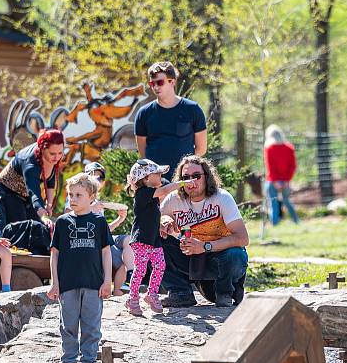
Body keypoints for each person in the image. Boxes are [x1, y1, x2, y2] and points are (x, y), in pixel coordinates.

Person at [47, 173, 113, 363]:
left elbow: (106, 253)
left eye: (78, 195)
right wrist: (55, 283)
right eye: (70, 195)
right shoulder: (63, 223)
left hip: (94, 284)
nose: (72, 199)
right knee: (68, 327)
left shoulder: (99, 222)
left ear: (91, 196)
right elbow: (55, 254)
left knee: (91, 328)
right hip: (67, 285)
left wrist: (108, 281)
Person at [159, 155, 249, 308]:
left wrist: (205, 246)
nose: (190, 181)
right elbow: (158, 217)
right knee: (151, 239)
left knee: (236, 254)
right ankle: (180, 292)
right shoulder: (174, 199)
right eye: (185, 177)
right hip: (191, 261)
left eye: (196, 176)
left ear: (207, 177)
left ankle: (226, 293)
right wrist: (164, 221)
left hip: (219, 266)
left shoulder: (222, 197)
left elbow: (242, 238)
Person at [124, 159, 196, 315]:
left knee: (160, 266)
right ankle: (132, 298)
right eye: (157, 174)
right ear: (146, 178)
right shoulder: (143, 193)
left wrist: (161, 226)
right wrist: (182, 183)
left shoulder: (153, 197)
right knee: (141, 270)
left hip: (154, 240)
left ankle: (152, 294)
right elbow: (165, 190)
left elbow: (149, 218)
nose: (161, 177)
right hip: (141, 241)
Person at [0, 128, 65, 255]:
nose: (57, 157)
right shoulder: (30, 164)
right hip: (6, 192)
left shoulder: (52, 155)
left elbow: (50, 179)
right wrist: (44, 216)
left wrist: (49, 205)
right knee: (21, 227)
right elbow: (34, 194)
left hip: (25, 195)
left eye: (60, 153)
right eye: (52, 154)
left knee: (38, 228)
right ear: (42, 148)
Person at [65, 162, 134, 296]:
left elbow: (102, 231)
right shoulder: (76, 194)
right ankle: (120, 290)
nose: (97, 180)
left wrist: (119, 220)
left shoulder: (98, 200)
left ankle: (128, 282)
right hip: (84, 240)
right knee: (118, 258)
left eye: (100, 178)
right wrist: (91, 209)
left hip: (100, 238)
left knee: (128, 243)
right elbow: (67, 219)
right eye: (92, 176)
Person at [135, 61, 207, 178]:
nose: (156, 87)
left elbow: (201, 148)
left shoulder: (192, 109)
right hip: (156, 182)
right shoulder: (144, 113)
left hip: (184, 181)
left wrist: (186, 171)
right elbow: (143, 153)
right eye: (152, 83)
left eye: (160, 82)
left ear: (172, 81)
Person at [263, 124, 299, 226]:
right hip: (286, 181)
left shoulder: (269, 148)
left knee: (273, 203)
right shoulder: (289, 148)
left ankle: (274, 223)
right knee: (287, 201)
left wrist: (275, 181)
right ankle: (296, 221)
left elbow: (270, 167)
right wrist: (286, 180)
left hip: (272, 180)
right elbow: (292, 166)